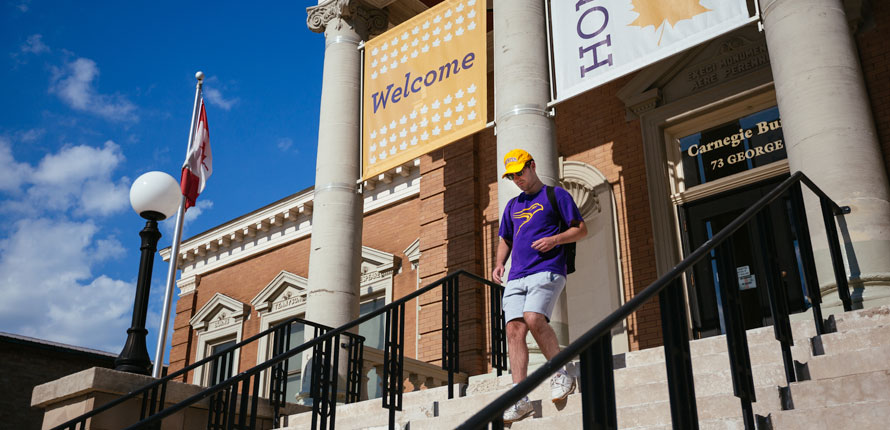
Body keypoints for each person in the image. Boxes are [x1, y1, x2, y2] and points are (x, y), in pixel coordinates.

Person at [492, 148, 588, 423]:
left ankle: (560, 375)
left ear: (532, 166)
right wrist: (500, 264)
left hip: (547, 270)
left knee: (534, 318)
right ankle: (519, 398)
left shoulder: (556, 195)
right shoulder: (512, 205)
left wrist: (555, 240)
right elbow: (506, 240)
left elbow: (581, 229)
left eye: (520, 172)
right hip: (516, 275)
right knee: (513, 330)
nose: (517, 179)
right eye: (512, 176)